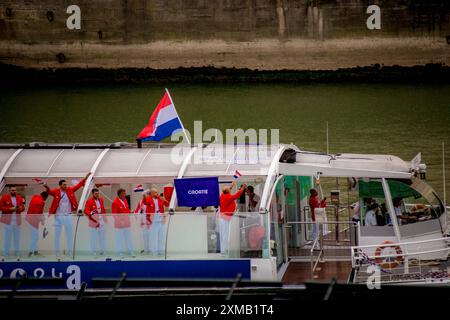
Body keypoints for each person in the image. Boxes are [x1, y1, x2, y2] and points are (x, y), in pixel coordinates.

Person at [44, 172, 91, 257]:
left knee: (69, 235)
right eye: (64, 184)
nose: (66, 186)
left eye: (66, 184)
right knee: (57, 235)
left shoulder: (70, 190)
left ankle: (70, 251)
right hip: (58, 216)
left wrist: (85, 178)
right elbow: (49, 191)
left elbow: (79, 185)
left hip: (68, 216)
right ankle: (57, 252)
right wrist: (46, 186)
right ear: (60, 185)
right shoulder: (56, 191)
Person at [219, 182, 246, 255]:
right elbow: (237, 195)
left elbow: (227, 191)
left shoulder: (222, 196)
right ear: (228, 192)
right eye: (229, 190)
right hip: (225, 218)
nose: (230, 191)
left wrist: (231, 186)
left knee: (224, 234)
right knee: (225, 234)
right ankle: (224, 250)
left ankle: (224, 250)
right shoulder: (228, 197)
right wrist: (242, 189)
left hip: (223, 217)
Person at [0, 186, 25, 258]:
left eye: (14, 190)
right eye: (12, 190)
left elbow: (23, 208)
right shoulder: (4, 197)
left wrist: (20, 208)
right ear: (9, 191)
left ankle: (16, 253)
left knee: (17, 239)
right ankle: (6, 253)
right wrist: (10, 209)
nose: (13, 191)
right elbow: (1, 207)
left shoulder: (19, 198)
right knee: (7, 238)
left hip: (17, 222)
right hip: (7, 222)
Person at [144, 188, 169, 256]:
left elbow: (167, 204)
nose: (157, 194)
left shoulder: (160, 199)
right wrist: (145, 194)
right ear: (151, 193)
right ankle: (154, 252)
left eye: (157, 192)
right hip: (153, 221)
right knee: (154, 237)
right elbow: (145, 202)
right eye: (155, 192)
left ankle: (161, 251)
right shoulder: (148, 199)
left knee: (162, 236)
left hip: (161, 219)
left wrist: (164, 199)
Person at [84, 188, 107, 256]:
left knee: (102, 236)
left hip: (101, 220)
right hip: (93, 221)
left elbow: (103, 209)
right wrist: (91, 213)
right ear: (92, 194)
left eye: (98, 193)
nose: (97, 195)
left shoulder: (101, 200)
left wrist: (105, 219)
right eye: (96, 194)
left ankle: (102, 250)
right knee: (93, 237)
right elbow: (86, 210)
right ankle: (93, 251)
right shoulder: (89, 201)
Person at [25, 191, 48, 257]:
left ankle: (35, 251)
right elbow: (37, 213)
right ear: (45, 197)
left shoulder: (34, 196)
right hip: (33, 221)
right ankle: (30, 252)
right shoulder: (42, 202)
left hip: (28, 219)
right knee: (34, 237)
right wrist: (42, 220)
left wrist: (42, 218)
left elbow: (38, 211)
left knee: (35, 236)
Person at [112, 188, 133, 257]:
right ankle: (119, 252)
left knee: (129, 238)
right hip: (119, 225)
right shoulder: (115, 202)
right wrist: (120, 222)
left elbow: (126, 210)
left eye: (125, 193)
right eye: (123, 193)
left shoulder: (125, 200)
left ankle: (130, 251)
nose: (125, 194)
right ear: (120, 194)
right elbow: (114, 215)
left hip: (127, 223)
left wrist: (130, 212)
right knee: (119, 239)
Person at [134, 190, 151, 254]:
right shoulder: (141, 202)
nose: (146, 196)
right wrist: (139, 218)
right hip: (143, 221)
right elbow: (137, 211)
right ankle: (144, 249)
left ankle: (150, 249)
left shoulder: (151, 201)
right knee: (144, 235)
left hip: (150, 220)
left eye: (147, 194)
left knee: (150, 235)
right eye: (145, 195)